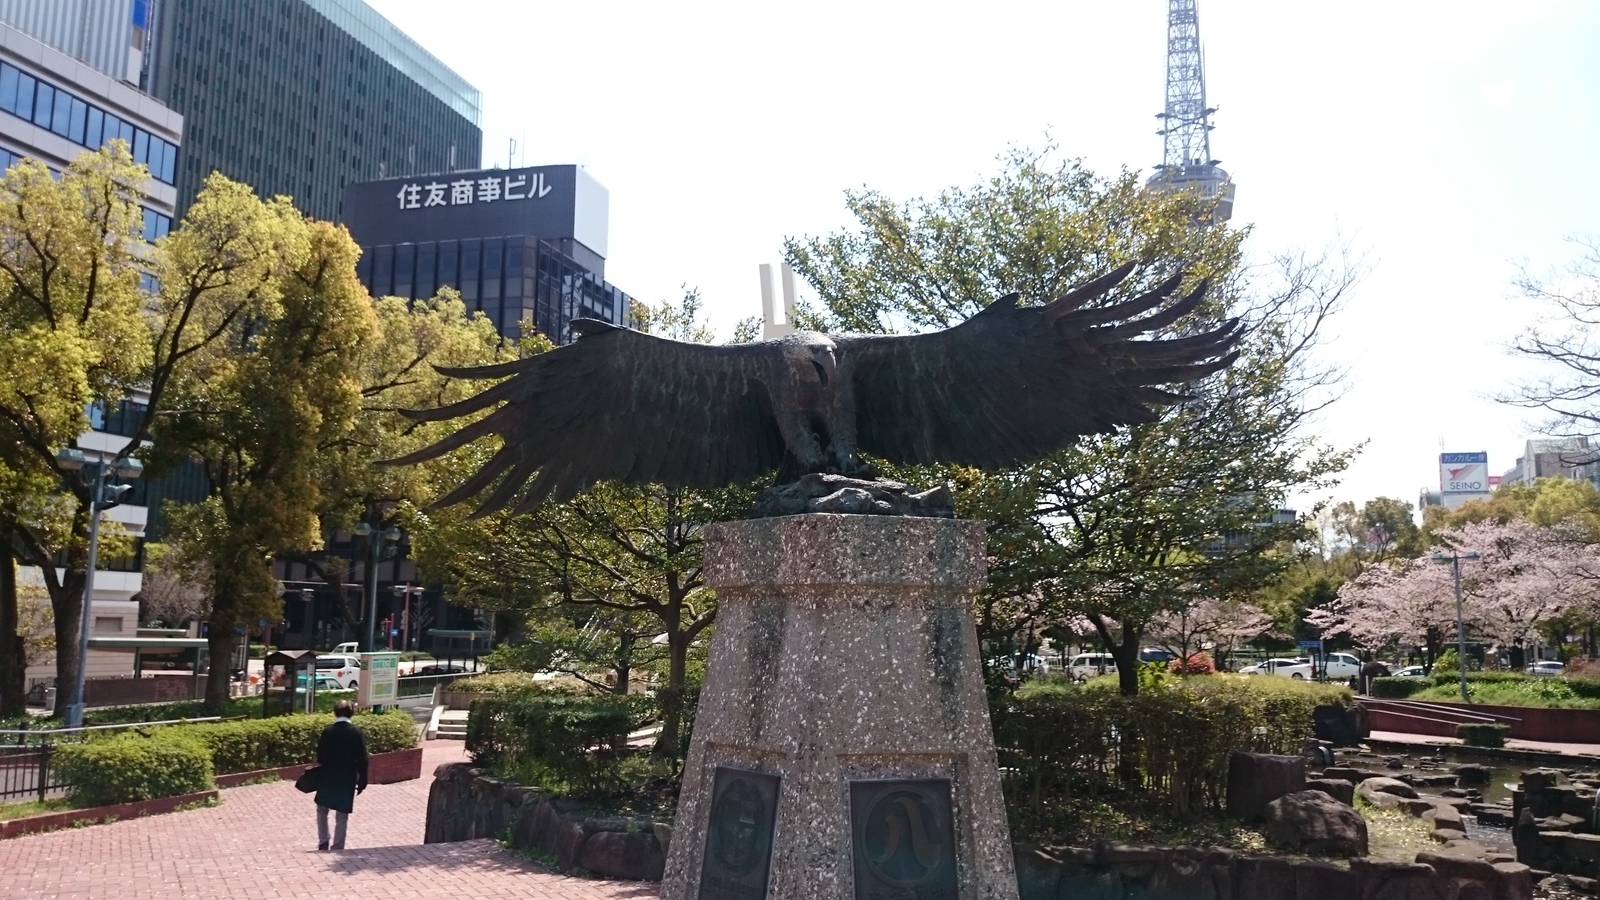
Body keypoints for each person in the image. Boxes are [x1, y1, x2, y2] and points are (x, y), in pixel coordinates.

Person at [314, 699, 369, 851]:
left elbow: (320, 757)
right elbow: (363, 758)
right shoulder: (356, 732)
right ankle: (338, 845)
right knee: (342, 812)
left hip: (328, 776)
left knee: (322, 809)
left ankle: (323, 841)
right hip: (347, 777)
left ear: (335, 712)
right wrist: (363, 779)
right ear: (352, 713)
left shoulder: (328, 731)